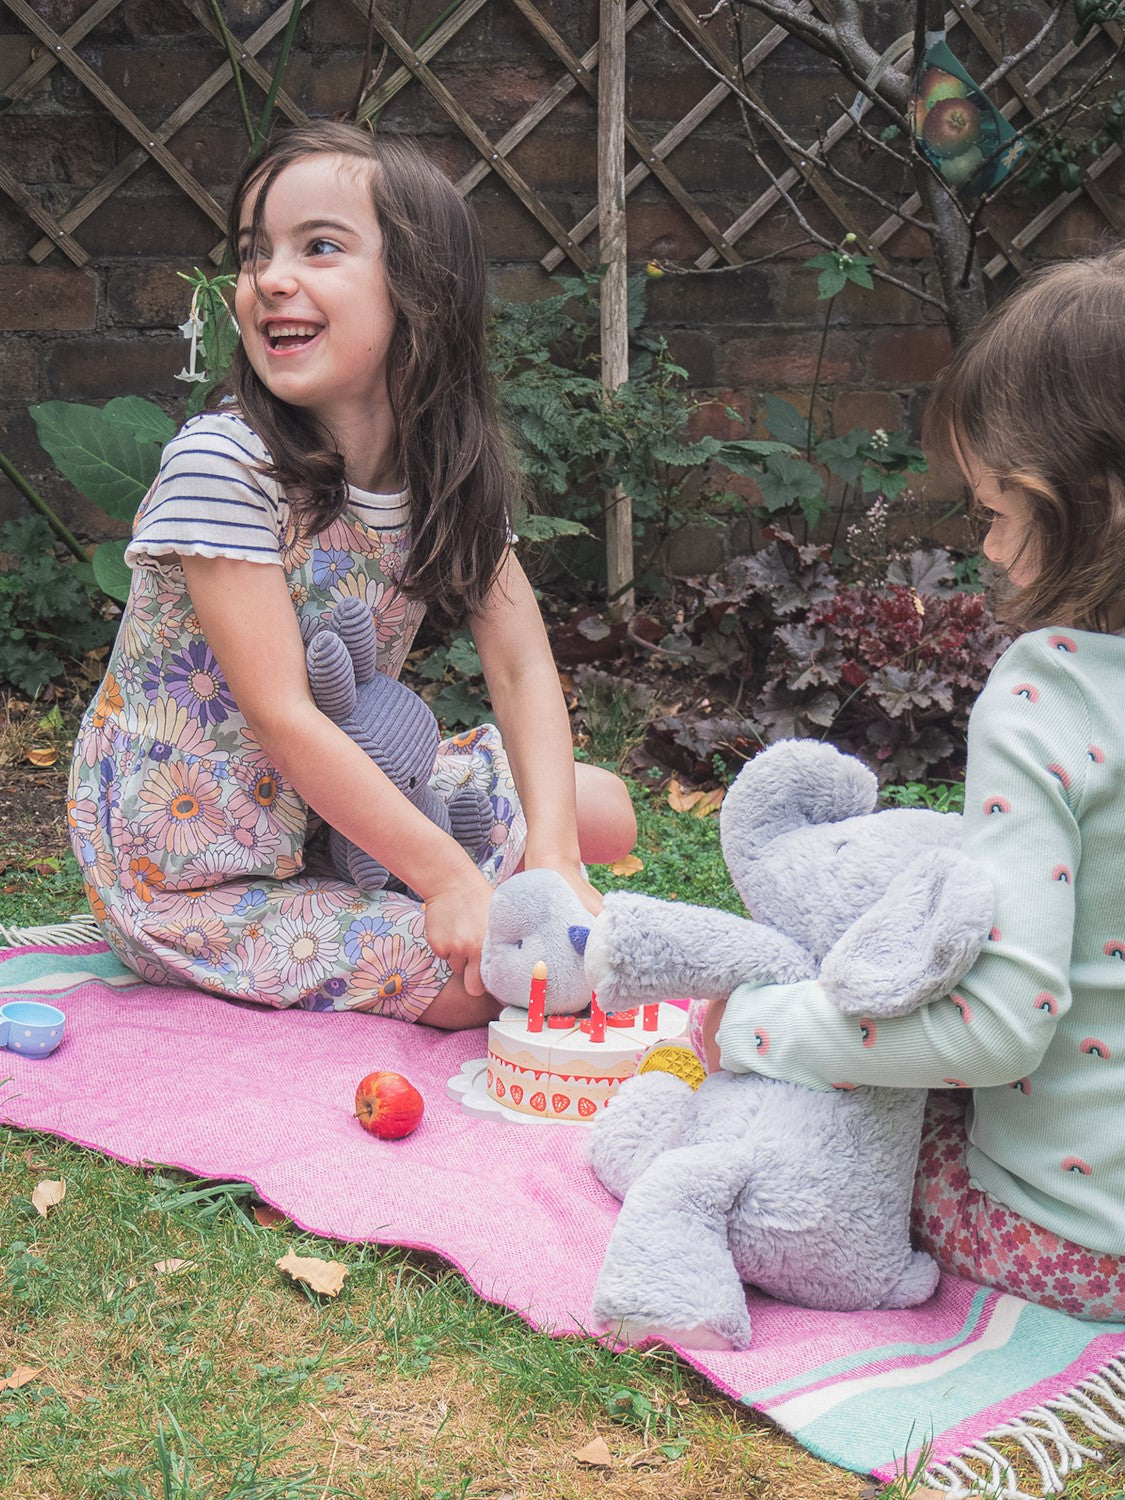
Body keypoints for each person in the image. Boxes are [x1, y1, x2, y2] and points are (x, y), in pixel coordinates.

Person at [67, 122, 635, 1030]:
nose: (270, 278)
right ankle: (416, 889)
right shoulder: (225, 464)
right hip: (194, 865)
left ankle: (433, 873)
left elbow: (523, 668)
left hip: (334, 823)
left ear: (422, 294)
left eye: (319, 246)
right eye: (257, 253)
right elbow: (285, 717)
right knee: (471, 987)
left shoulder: (441, 476)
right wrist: (446, 879)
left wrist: (557, 861)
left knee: (599, 814)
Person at [701, 245, 1125, 1319]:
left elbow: (996, 1028)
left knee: (815, 1109)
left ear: (1084, 502)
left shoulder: (1049, 696)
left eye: (992, 511)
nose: (985, 548)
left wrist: (758, 1025)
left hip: (1073, 1239)